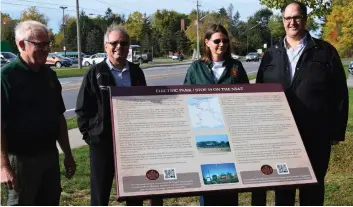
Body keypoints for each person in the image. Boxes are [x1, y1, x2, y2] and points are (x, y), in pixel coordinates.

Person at [255, 1, 349, 205]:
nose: (292, 22)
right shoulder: (271, 54)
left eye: (296, 17)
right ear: (282, 21)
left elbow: (340, 92)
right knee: (283, 191)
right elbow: (259, 93)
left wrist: (336, 131)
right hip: (281, 137)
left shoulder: (324, 51)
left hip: (316, 134)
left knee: (313, 190)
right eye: (288, 18)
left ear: (305, 19)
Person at [75, 24, 163, 206]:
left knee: (134, 192)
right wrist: (91, 136)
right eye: (114, 43)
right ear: (106, 46)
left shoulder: (136, 72)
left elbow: (146, 103)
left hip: (132, 144)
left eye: (123, 43)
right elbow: (83, 110)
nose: (119, 47)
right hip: (103, 143)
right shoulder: (95, 73)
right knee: (100, 193)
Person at [1, 20, 76, 206]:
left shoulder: (49, 75)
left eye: (47, 44)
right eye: (39, 44)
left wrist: (67, 153)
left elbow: (59, 117)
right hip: (21, 161)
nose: (46, 49)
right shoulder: (7, 77)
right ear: (21, 45)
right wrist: (3, 166)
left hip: (49, 156)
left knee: (50, 201)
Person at [184, 24, 249, 206]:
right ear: (207, 42)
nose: (222, 44)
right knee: (209, 179)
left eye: (225, 41)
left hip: (231, 134)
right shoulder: (196, 68)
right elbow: (184, 100)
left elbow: (247, 98)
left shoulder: (236, 67)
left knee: (230, 180)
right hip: (205, 134)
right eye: (217, 41)